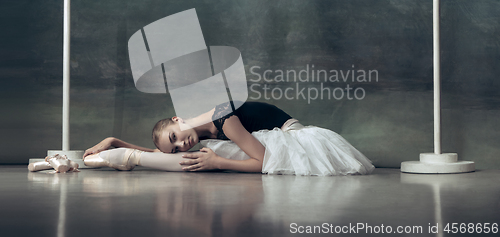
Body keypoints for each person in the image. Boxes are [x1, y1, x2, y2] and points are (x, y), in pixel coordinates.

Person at [83, 101, 375, 176]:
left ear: (178, 118)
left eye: (174, 136)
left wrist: (218, 163)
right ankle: (122, 155)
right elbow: (162, 154)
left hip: (295, 139)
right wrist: (115, 141)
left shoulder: (223, 117)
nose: (180, 144)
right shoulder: (204, 134)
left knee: (209, 158)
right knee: (197, 158)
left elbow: (264, 162)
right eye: (173, 148)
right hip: (267, 140)